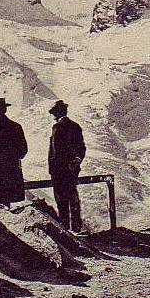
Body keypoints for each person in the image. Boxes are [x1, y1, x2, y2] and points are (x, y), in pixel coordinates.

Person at [48, 100, 86, 233]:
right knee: (73, 198)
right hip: (72, 170)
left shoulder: (57, 127)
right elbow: (81, 147)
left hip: (59, 171)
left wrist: (58, 166)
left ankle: (65, 230)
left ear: (57, 113)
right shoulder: (75, 126)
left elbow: (56, 151)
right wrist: (76, 161)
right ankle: (77, 228)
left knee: (61, 200)